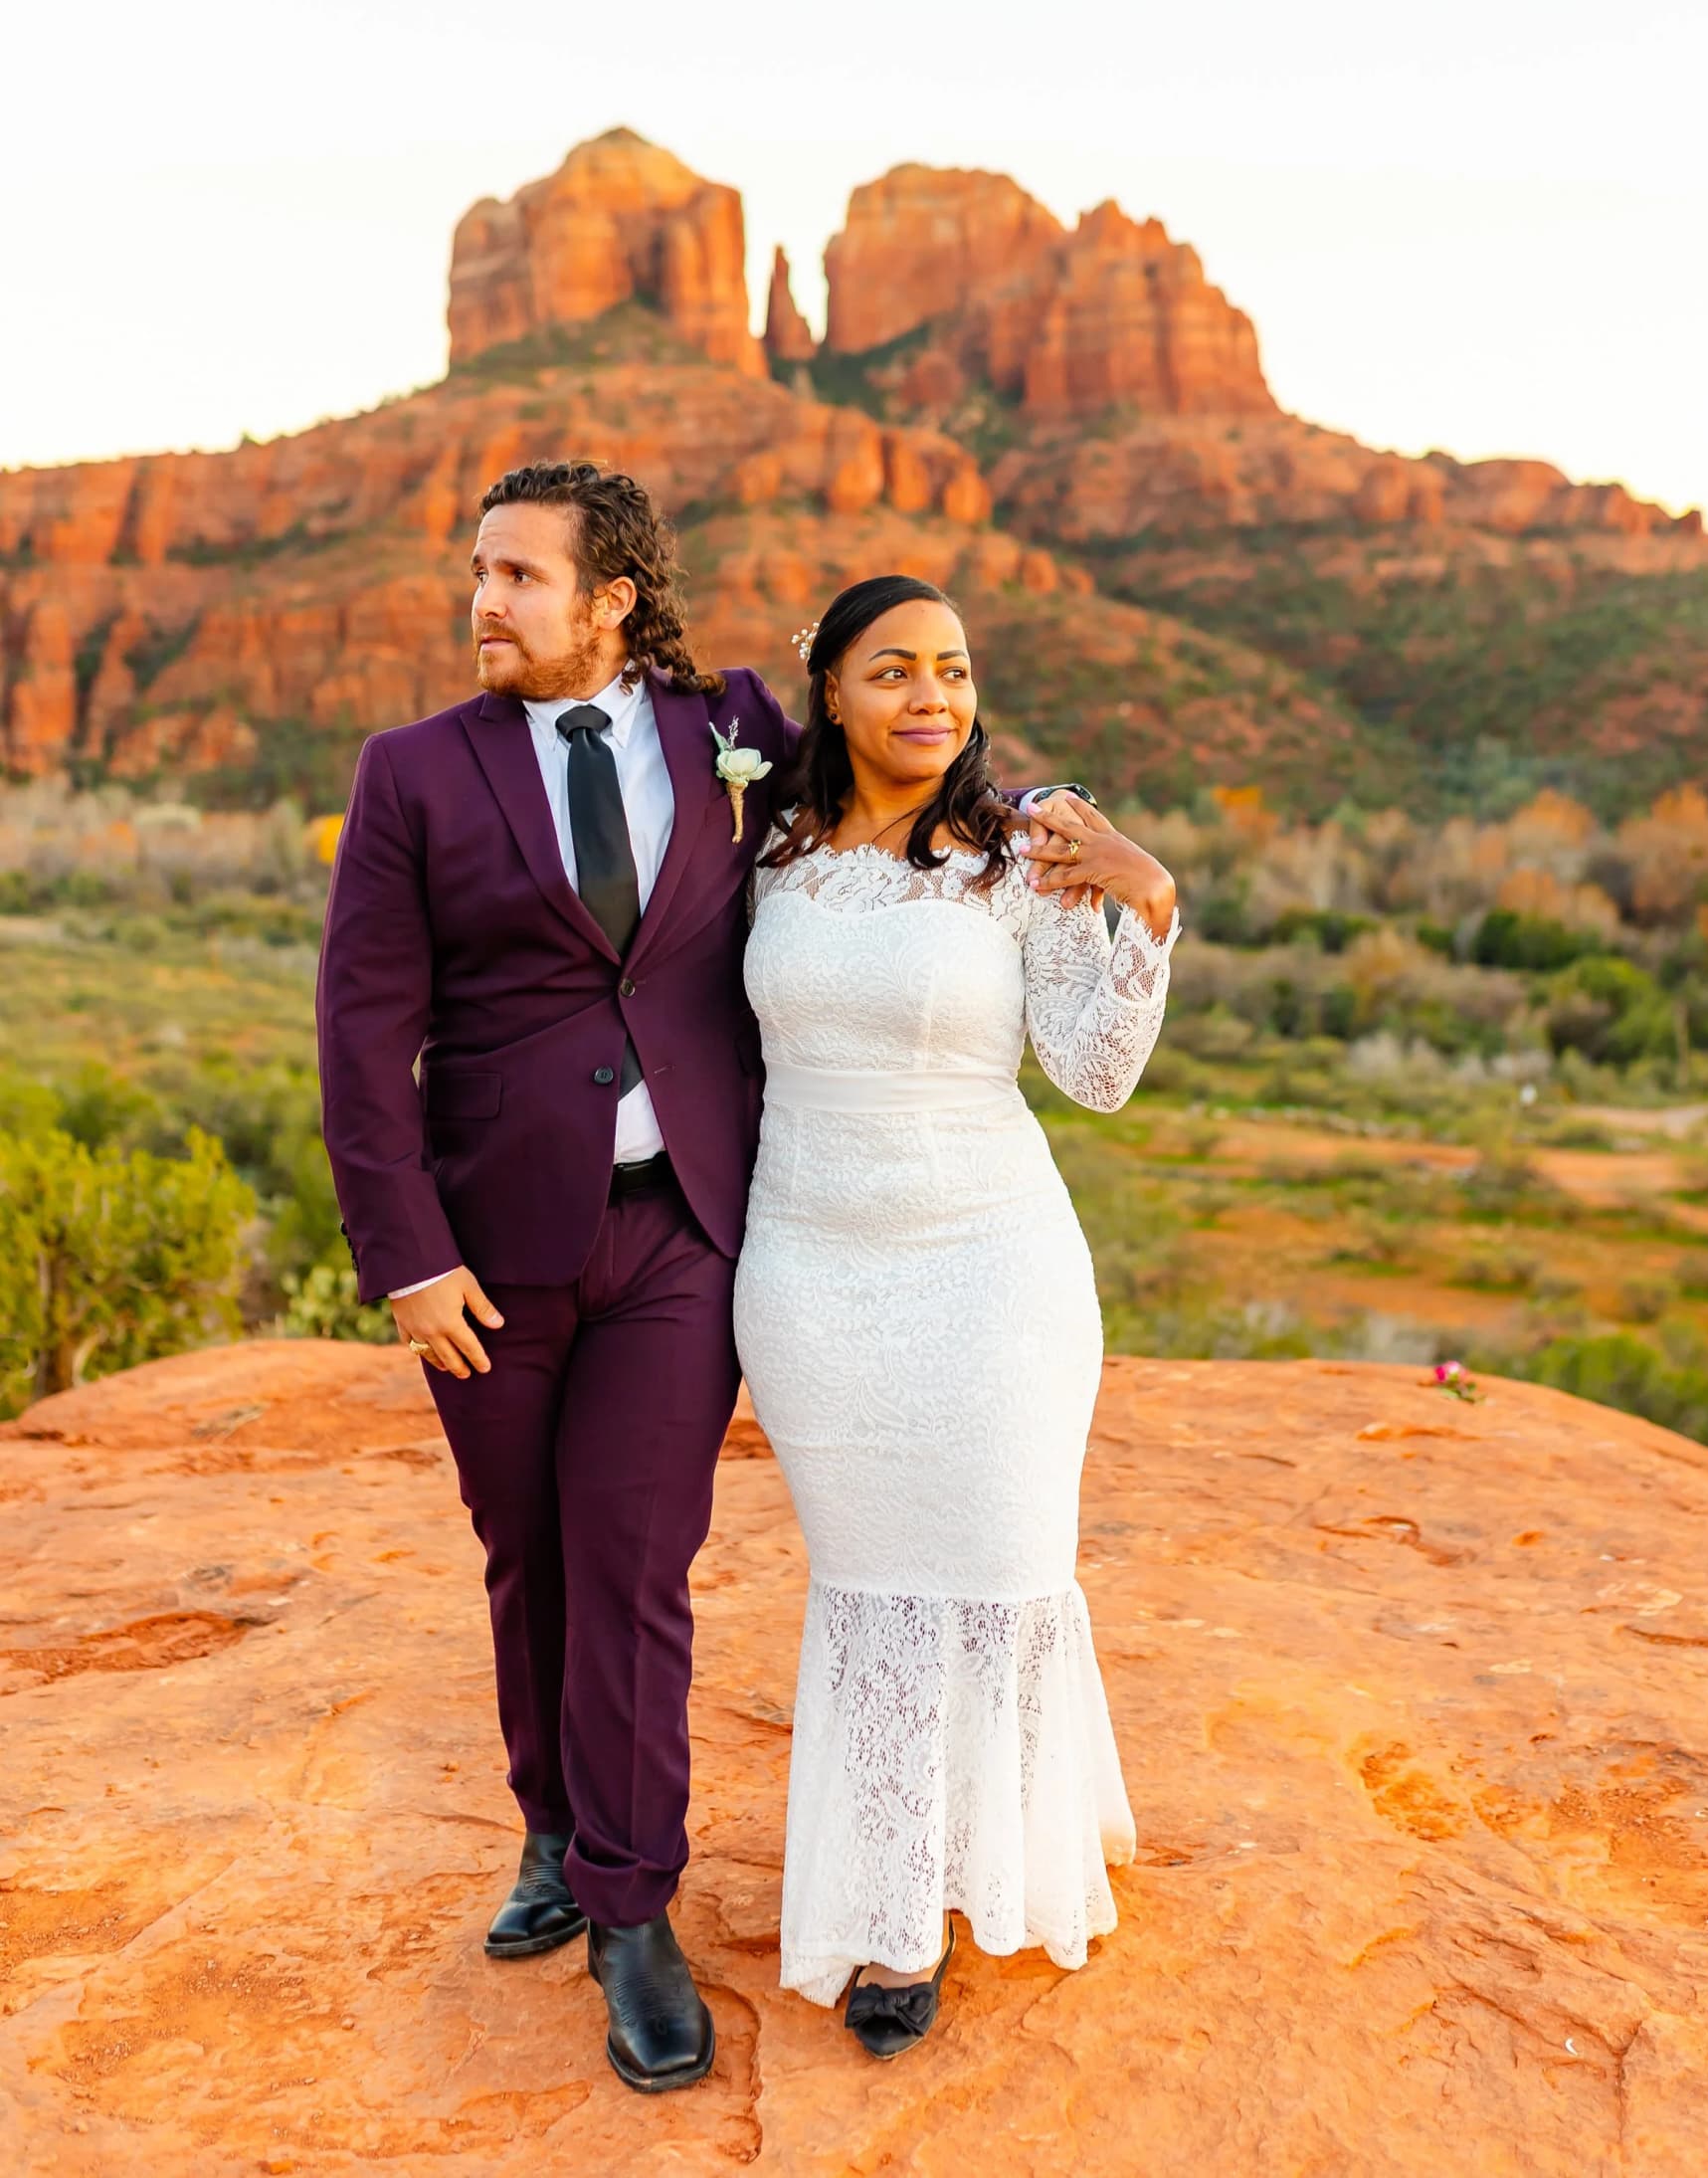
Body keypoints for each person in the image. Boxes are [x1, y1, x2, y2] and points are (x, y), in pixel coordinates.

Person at [315, 465, 1080, 2098]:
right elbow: (360, 1038)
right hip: (490, 1255)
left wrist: (1043, 842)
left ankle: (629, 1908)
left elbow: (904, 773)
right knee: (527, 1556)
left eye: (518, 575)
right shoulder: (411, 777)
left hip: (690, 1236)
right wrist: (408, 1259)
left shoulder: (723, 728)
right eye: (476, 573)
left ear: (610, 599)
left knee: (635, 1561)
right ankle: (549, 1826)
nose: (484, 602)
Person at [733, 573, 1178, 2057]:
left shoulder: (1018, 854)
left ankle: (971, 1884)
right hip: (809, 1271)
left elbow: (1097, 1072)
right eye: (894, 671)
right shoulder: (770, 848)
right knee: (870, 1593)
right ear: (834, 694)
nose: (933, 696)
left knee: (996, 1571)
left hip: (991, 1272)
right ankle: (887, 1906)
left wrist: (1145, 901)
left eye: (956, 669)